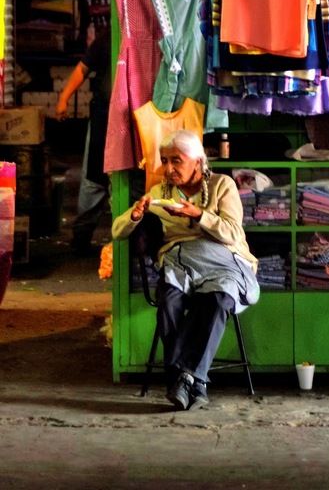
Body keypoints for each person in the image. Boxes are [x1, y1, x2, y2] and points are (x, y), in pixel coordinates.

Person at [111, 129, 259, 410]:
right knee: (169, 302)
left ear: (198, 162)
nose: (168, 168)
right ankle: (194, 382)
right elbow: (118, 231)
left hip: (223, 260)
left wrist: (198, 215)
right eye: (164, 161)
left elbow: (232, 233)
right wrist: (134, 215)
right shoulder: (160, 193)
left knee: (217, 300)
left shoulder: (221, 185)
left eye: (176, 161)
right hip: (181, 262)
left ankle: (184, 379)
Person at [56, 28, 110, 254]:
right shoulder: (107, 38)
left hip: (134, 116)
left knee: (129, 177)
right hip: (104, 115)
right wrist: (63, 98)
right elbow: (83, 69)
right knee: (94, 176)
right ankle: (82, 234)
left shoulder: (148, 33)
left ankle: (131, 237)